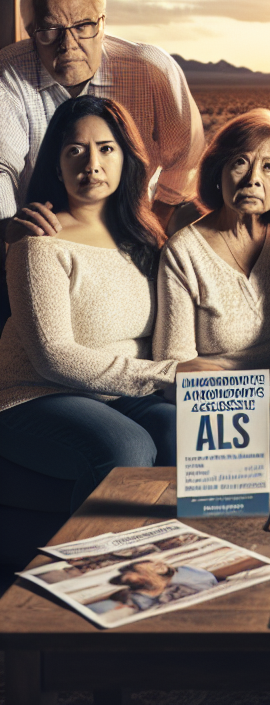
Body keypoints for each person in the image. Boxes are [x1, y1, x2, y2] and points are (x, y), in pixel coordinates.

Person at [0, 97, 208, 511]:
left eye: (106, 149)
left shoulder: (146, 241)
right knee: (127, 446)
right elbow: (53, 357)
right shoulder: (39, 244)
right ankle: (94, 554)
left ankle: (181, 543)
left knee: (183, 428)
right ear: (56, 165)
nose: (91, 164)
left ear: (126, 160)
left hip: (118, 394)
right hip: (37, 393)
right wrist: (168, 375)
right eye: (75, 150)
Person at [1, 0, 205, 240]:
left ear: (102, 25)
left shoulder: (151, 69)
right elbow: (1, 167)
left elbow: (186, 157)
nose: (68, 45)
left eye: (82, 27)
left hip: (130, 229)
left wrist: (153, 224)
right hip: (39, 232)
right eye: (50, 30)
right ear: (31, 32)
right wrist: (8, 228)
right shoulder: (8, 71)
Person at [154, 110, 270, 465]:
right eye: (240, 162)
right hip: (222, 401)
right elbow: (174, 368)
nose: (253, 179)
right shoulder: (184, 251)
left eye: (269, 167)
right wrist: (248, 392)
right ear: (217, 171)